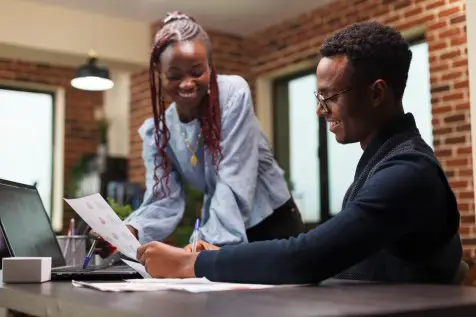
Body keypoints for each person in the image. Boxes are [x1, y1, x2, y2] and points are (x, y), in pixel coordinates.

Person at [135, 22, 463, 284]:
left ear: (377, 93)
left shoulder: (407, 172)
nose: (321, 111)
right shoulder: (383, 162)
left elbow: (308, 257)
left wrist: (194, 263)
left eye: (330, 96)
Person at [117, 11, 305, 249]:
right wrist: (130, 231)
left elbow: (234, 175)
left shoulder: (232, 95)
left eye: (197, 72)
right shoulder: (156, 132)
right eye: (174, 75)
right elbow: (164, 198)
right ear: (159, 74)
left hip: (271, 221)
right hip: (220, 224)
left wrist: (204, 242)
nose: (187, 83)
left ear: (210, 66)